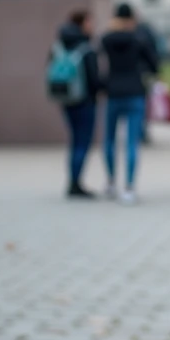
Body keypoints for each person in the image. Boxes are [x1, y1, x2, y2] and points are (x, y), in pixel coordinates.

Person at [101, 3, 153, 204]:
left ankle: (111, 182)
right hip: (134, 92)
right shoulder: (138, 40)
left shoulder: (106, 39)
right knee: (132, 142)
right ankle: (129, 188)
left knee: (109, 140)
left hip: (113, 93)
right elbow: (152, 62)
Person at [56, 10, 101, 199]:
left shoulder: (59, 45)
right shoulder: (85, 47)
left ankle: (72, 180)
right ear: (82, 23)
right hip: (85, 101)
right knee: (82, 142)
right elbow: (94, 79)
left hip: (66, 99)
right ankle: (76, 183)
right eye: (90, 21)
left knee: (74, 141)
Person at [134, 19, 161, 144]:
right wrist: (155, 70)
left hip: (126, 78)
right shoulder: (144, 33)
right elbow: (151, 53)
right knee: (141, 105)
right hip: (143, 73)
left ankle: (138, 132)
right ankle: (141, 132)